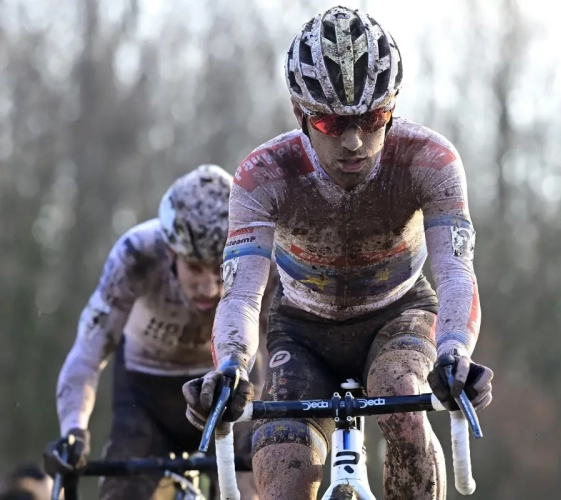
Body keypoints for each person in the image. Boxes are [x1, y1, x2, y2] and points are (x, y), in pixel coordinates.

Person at [183, 7, 493, 500]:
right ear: (298, 112)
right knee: (283, 478)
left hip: (399, 315)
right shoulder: (263, 175)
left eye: (372, 118)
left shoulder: (429, 161)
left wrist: (454, 352)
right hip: (302, 330)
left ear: (392, 105)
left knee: (402, 396)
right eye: (329, 123)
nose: (353, 142)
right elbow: (241, 294)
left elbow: (456, 271)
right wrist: (232, 368)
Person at [43, 165, 277, 500]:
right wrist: (73, 431)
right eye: (194, 267)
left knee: (251, 488)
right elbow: (89, 350)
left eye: (220, 268)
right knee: (121, 493)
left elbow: (277, 346)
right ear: (170, 250)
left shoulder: (256, 254)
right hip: (145, 395)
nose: (209, 286)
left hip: (225, 388)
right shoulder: (137, 253)